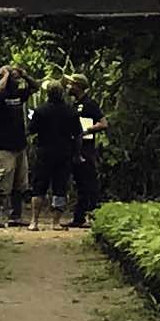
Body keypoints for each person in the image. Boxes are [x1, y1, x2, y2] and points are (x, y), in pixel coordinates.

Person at [28, 75, 85, 230]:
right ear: (62, 93)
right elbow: (78, 134)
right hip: (64, 153)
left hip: (44, 152)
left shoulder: (40, 111)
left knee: (39, 186)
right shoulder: (71, 111)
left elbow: (31, 130)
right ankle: (56, 222)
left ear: (48, 93)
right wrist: (77, 154)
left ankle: (34, 221)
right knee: (60, 187)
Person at [0, 62, 34, 227]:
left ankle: (16, 216)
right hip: (3, 147)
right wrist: (5, 75)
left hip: (19, 145)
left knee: (19, 184)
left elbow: (34, 87)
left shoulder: (17, 95)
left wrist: (24, 75)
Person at [69, 96, 111, 225]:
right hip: (75, 148)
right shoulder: (74, 104)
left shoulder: (89, 104)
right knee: (80, 184)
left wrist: (87, 130)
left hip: (86, 149)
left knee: (89, 183)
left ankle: (92, 216)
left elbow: (103, 123)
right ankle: (79, 217)